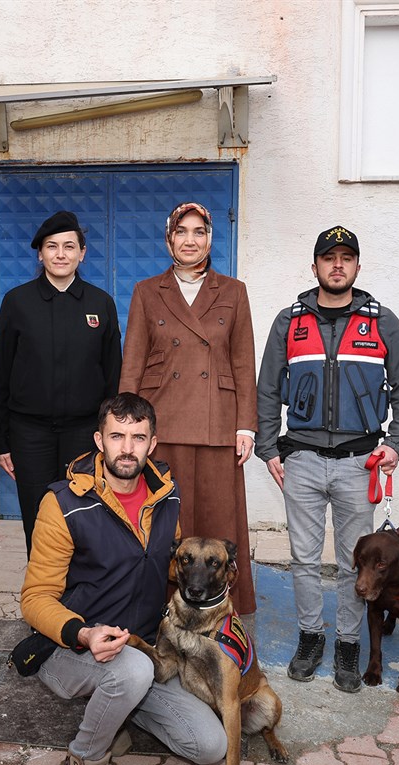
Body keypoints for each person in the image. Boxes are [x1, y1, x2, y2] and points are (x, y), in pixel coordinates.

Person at [20, 393, 226, 765]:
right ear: (99, 440)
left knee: (209, 746)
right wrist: (83, 634)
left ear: (153, 443)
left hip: (143, 648)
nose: (127, 448)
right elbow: (34, 598)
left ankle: (118, 714)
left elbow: (169, 566)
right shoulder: (62, 503)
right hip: (68, 647)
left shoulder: (167, 496)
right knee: (130, 672)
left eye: (138, 437)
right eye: (117, 436)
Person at [256, 225, 399, 693]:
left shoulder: (381, 320)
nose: (338, 265)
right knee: (303, 559)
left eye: (347, 258)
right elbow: (267, 387)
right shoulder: (290, 321)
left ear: (357, 267)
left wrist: (397, 442)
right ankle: (311, 637)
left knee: (356, 564)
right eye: (329, 258)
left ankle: (349, 643)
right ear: (315, 267)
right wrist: (269, 447)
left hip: (359, 461)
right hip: (302, 459)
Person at [120, 202, 258, 614]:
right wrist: (130, 432)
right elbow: (133, 362)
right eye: (182, 231)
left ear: (210, 239)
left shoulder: (233, 291)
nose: (190, 240)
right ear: (169, 239)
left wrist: (246, 426)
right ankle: (159, 608)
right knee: (165, 522)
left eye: (199, 232)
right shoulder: (147, 291)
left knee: (219, 521)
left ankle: (224, 612)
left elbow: (243, 361)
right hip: (163, 419)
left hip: (218, 421)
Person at [0, 211, 122, 556]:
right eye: (52, 246)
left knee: (84, 516)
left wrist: (108, 438)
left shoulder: (100, 304)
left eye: (69, 246)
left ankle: (82, 595)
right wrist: (2, 440)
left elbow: (113, 378)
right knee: (38, 520)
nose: (61, 254)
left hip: (83, 434)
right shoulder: (17, 302)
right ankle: (42, 598)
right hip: (29, 434)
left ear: (82, 253)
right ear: (40, 254)